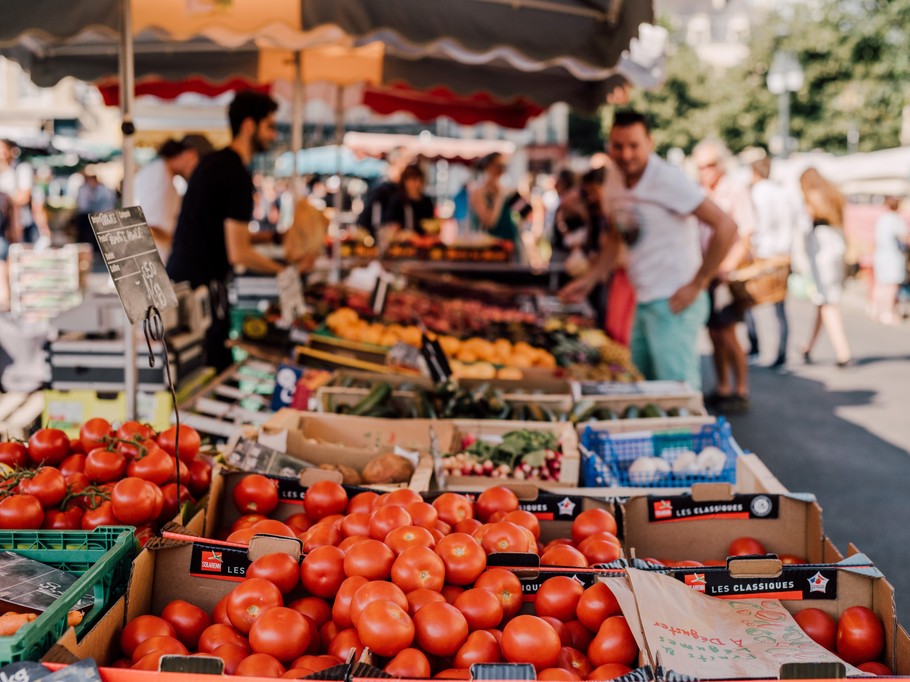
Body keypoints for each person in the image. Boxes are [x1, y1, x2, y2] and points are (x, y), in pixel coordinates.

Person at [560, 109, 737, 391]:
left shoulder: (668, 178)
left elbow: (726, 226)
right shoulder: (614, 180)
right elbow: (617, 239)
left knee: (677, 396)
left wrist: (698, 284)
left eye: (634, 146)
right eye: (618, 146)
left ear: (649, 143)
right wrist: (589, 279)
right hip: (643, 301)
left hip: (674, 301)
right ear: (609, 145)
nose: (626, 154)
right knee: (644, 390)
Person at [167, 90, 306, 372]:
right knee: (211, 366)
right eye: (269, 126)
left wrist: (270, 237)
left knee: (195, 368)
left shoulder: (214, 162)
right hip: (200, 293)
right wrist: (284, 269)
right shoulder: (236, 176)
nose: (273, 134)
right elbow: (238, 252)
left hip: (183, 284)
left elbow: (219, 231)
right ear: (248, 125)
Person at [692, 139, 755, 413]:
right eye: (700, 167)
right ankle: (722, 386)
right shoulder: (699, 191)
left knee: (728, 334)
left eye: (709, 165)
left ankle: (740, 388)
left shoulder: (735, 191)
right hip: (706, 271)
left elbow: (745, 235)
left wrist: (726, 266)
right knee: (714, 334)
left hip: (724, 273)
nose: (704, 171)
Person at [798, 168, 853, 367]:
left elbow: (806, 223)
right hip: (836, 243)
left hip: (822, 249)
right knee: (822, 300)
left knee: (828, 301)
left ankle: (843, 353)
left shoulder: (813, 197)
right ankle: (808, 346)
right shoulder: (834, 193)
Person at [746, 156, 797, 369]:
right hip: (782, 255)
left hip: (763, 255)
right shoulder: (782, 192)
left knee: (748, 302)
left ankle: (755, 347)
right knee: (780, 308)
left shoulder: (758, 193)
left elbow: (756, 226)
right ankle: (782, 354)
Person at [135, 135, 212, 263]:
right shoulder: (158, 174)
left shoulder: (166, 175)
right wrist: (180, 245)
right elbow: (146, 226)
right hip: (149, 267)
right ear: (190, 155)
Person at [467, 152, 523, 253]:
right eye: (499, 166)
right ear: (488, 167)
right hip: (489, 247)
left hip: (509, 243)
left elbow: (525, 213)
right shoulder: (477, 192)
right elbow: (489, 223)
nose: (502, 170)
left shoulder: (508, 190)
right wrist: (499, 196)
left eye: (504, 166)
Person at [0, 139, 50, 248]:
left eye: (2, 149)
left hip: (21, 224)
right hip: (4, 225)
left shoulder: (21, 169)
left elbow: (23, 198)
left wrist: (7, 197)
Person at [870, 196, 909, 324]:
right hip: (891, 256)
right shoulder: (894, 219)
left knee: (880, 283)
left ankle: (875, 309)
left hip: (880, 254)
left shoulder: (881, 218)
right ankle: (886, 312)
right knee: (890, 285)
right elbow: (904, 237)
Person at [381, 163, 435, 234]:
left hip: (424, 241)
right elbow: (391, 225)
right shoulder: (398, 200)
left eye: (416, 180)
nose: (413, 184)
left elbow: (431, 224)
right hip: (403, 241)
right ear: (404, 181)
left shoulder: (427, 201)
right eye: (410, 180)